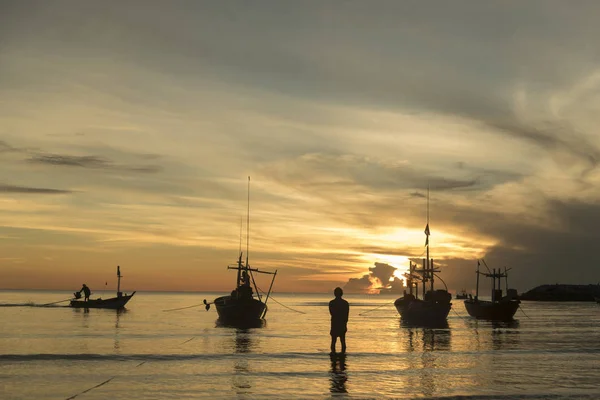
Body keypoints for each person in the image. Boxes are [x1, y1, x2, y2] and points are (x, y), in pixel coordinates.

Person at [329, 287, 349, 354]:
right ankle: (343, 356)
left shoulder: (331, 303)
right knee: (343, 341)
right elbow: (346, 316)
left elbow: (332, 313)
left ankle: (333, 356)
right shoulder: (345, 303)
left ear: (334, 294)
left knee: (333, 342)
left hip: (335, 324)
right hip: (341, 324)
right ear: (342, 294)